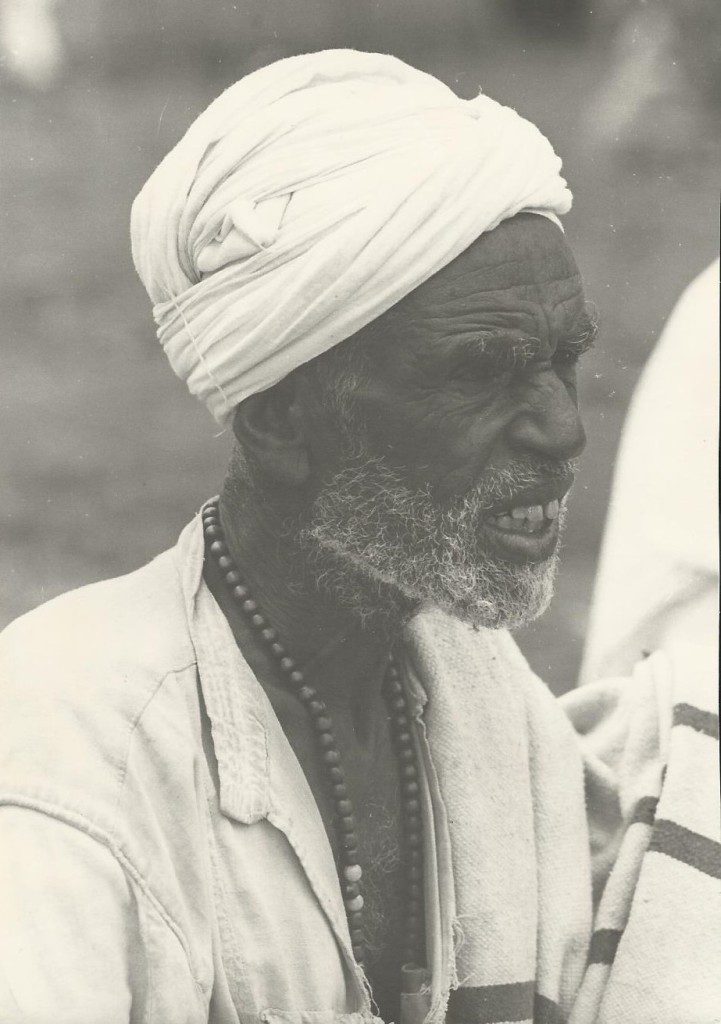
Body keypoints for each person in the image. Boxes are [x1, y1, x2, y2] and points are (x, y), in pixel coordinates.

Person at [0, 50, 717, 1024]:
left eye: (561, 363)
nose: (563, 432)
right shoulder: (68, 753)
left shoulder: (487, 700)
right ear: (281, 423)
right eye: (483, 374)